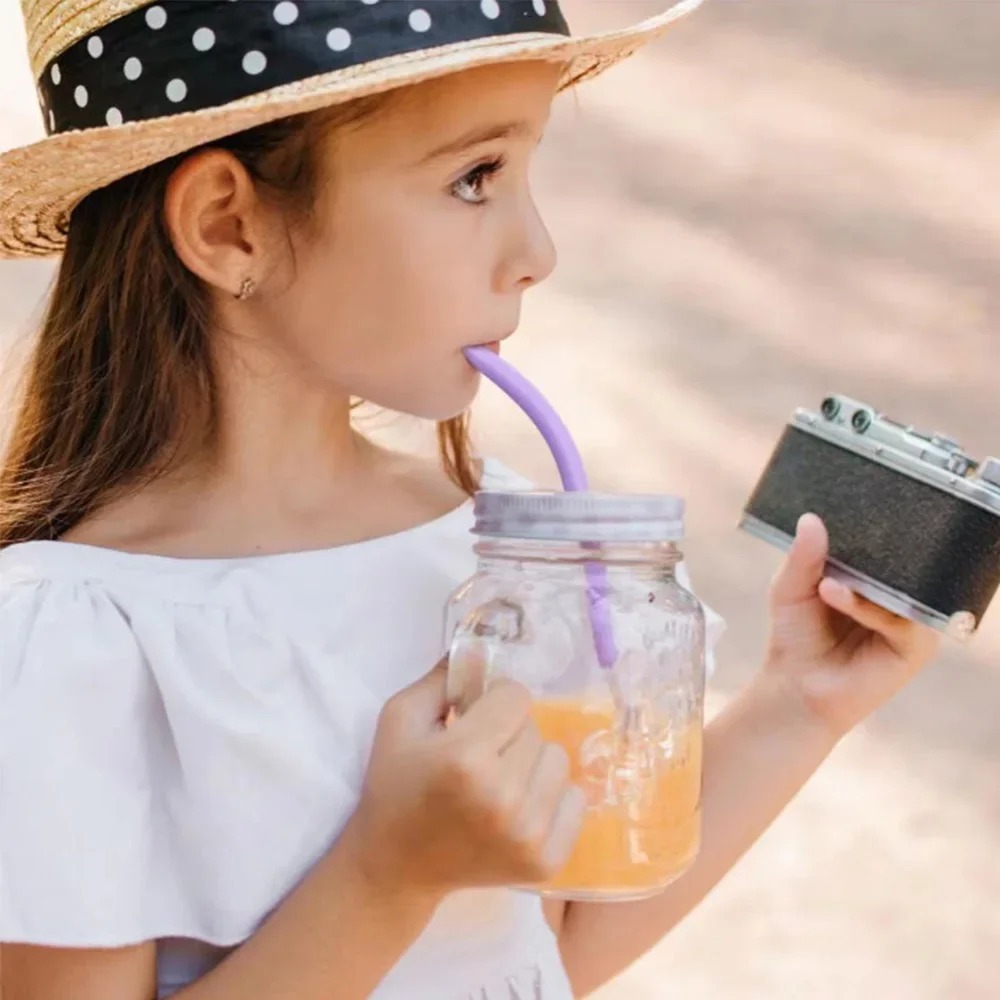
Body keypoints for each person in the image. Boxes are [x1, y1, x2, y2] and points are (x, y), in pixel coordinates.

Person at [0, 1, 939, 998]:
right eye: (474, 177)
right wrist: (385, 874)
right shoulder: (72, 639)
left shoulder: (491, 545)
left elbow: (540, 947)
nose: (538, 250)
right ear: (229, 227)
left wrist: (799, 703)